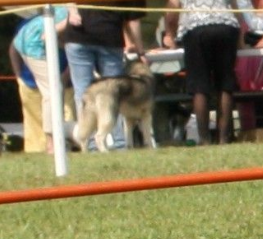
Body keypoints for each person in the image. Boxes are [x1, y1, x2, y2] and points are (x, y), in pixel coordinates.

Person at [64, 1, 146, 149]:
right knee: (114, 93)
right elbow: (132, 21)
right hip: (109, 37)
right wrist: (140, 51)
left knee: (82, 92)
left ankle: (87, 144)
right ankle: (119, 142)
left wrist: (72, 11)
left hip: (78, 37)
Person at [163, 0, 241, 145]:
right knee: (225, 82)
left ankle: (204, 140)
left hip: (195, 28)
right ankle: (223, 138)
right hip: (226, 26)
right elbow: (235, 7)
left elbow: (171, 11)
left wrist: (170, 35)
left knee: (199, 85)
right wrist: (241, 38)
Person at [9, 7, 69, 155]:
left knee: (53, 91)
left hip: (26, 40)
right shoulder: (72, 14)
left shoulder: (66, 8)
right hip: (33, 45)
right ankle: (52, 143)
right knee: (52, 92)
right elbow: (46, 36)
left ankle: (54, 141)